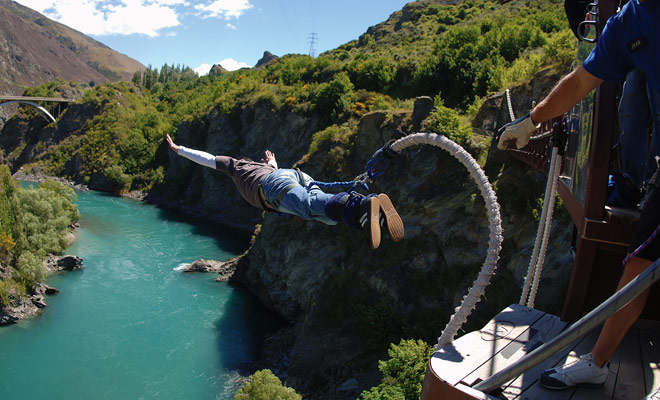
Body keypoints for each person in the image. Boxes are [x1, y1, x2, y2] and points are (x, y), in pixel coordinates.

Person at [498, 0, 659, 390]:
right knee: (640, 265)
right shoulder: (630, 21)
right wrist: (532, 120)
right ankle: (598, 362)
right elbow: (583, 80)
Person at [165, 134, 404, 249]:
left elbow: (206, 158)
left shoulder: (235, 166)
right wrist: (272, 162)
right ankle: (373, 213)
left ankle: (360, 206)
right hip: (295, 176)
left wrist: (179, 149)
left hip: (273, 188)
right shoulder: (265, 166)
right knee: (324, 215)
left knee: (311, 207)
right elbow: (277, 172)